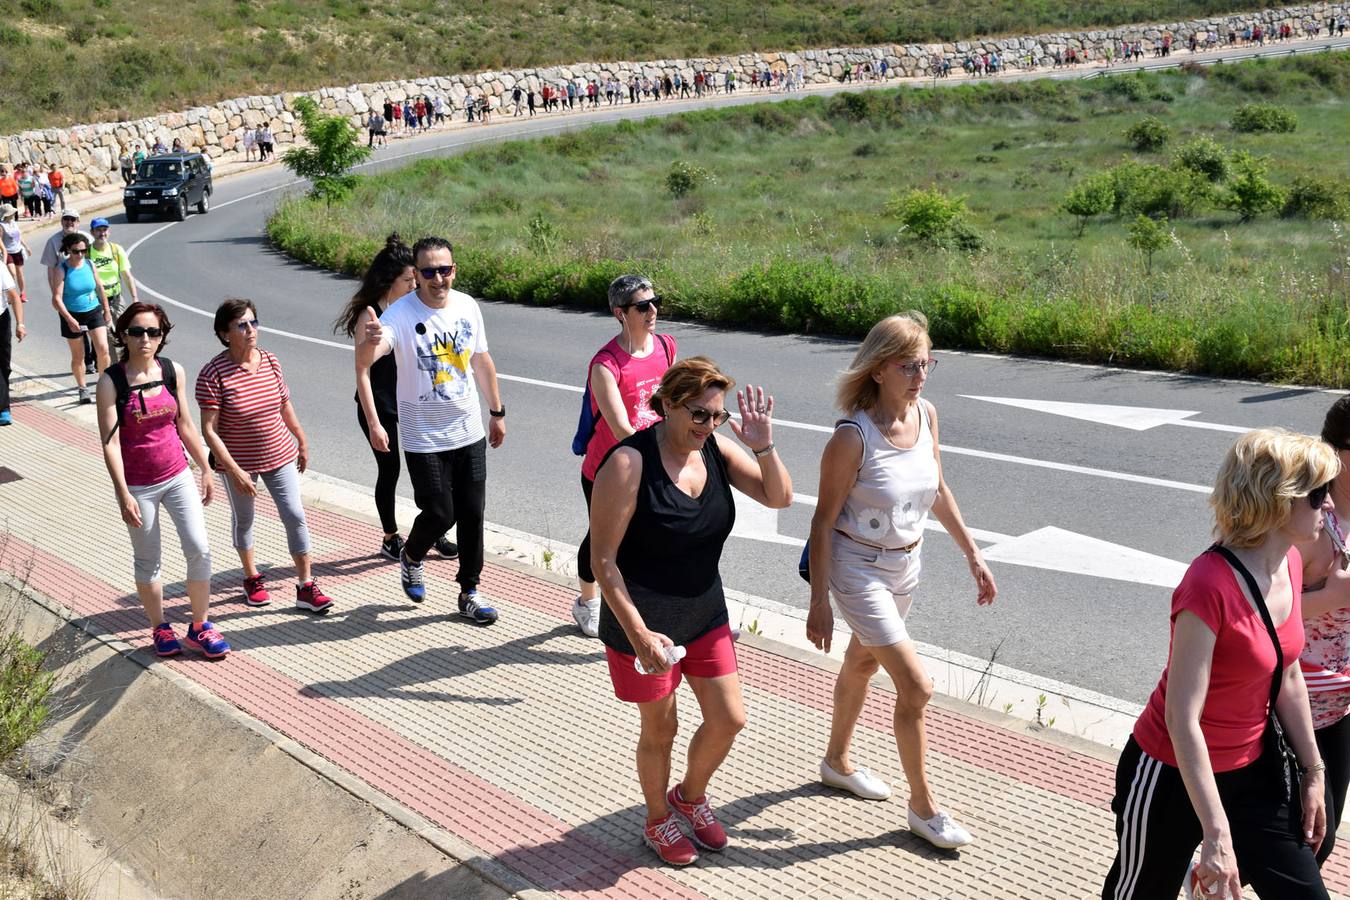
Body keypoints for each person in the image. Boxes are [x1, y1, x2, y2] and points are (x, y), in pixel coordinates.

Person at [1102, 428, 1337, 899]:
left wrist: (1314, 772)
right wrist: (1216, 832)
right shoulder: (1208, 584)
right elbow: (1181, 718)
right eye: (1316, 495)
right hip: (1170, 771)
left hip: (1254, 768)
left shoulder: (1289, 563)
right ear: (1277, 500)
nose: (1329, 505)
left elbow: (1288, 671)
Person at [805, 313, 995, 850]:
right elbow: (821, 522)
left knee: (863, 660)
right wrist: (818, 601)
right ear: (879, 369)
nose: (921, 374)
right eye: (909, 364)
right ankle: (924, 808)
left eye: (926, 362)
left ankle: (836, 761)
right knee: (916, 687)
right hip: (857, 567)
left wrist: (973, 554)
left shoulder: (926, 415)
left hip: (906, 564)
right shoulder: (852, 437)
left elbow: (938, 489)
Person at [589, 357, 790, 865]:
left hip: (704, 612)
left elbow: (779, 497)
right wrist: (637, 635)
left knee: (729, 718)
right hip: (643, 620)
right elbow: (602, 560)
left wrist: (762, 444)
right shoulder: (629, 464)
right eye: (699, 414)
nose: (709, 425)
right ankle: (658, 819)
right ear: (669, 406)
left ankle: (690, 796)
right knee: (661, 730)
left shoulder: (717, 452)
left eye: (717, 416)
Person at [356, 237, 505, 621]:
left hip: (469, 431)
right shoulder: (399, 315)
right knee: (440, 513)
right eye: (429, 272)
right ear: (417, 276)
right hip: (424, 438)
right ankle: (411, 555)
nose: (439, 278)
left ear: (454, 269)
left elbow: (481, 361)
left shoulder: (468, 306)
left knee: (473, 513)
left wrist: (497, 411)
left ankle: (469, 590)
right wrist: (370, 345)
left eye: (445, 269)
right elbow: (367, 362)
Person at [97, 303, 229, 659]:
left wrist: (205, 467)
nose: (145, 339)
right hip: (139, 486)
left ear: (162, 337)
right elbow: (109, 441)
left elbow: (185, 424)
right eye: (137, 332)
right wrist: (122, 493)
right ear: (123, 335)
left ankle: (200, 626)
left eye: (154, 332)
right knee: (148, 559)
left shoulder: (172, 371)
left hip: (177, 475)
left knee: (199, 547)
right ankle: (160, 627)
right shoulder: (112, 381)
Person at [196, 298, 334, 614]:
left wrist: (301, 439)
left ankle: (305, 586)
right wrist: (234, 471)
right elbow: (209, 430)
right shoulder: (212, 373)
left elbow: (284, 404)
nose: (250, 330)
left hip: (279, 453)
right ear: (224, 333)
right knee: (244, 519)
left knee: (295, 514)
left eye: (253, 322)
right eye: (241, 325)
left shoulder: (270, 361)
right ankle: (251, 577)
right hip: (237, 462)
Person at [336, 234, 457, 563]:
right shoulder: (370, 316)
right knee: (389, 471)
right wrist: (375, 424)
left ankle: (434, 529)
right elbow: (362, 373)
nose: (413, 284)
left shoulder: (411, 308)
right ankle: (390, 537)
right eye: (408, 279)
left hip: (411, 401)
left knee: (431, 468)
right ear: (389, 280)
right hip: (378, 405)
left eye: (414, 278)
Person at [573, 275, 676, 638]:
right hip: (607, 469)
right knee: (601, 540)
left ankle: (646, 612)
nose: (653, 311)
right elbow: (619, 427)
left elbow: (671, 405)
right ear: (620, 313)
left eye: (655, 301)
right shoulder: (606, 364)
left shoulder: (666, 346)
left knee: (646, 537)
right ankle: (587, 602)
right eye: (642, 306)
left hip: (652, 462)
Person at [1299, 398, 1350, 866]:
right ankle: (1208, 875)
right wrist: (1329, 599)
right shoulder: (1313, 522)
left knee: (1321, 841)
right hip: (1297, 706)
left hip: (1343, 705)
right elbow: (1253, 609)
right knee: (1315, 836)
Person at [52, 231, 112, 403]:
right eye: (76, 251)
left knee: (103, 349)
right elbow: (56, 298)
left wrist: (106, 310)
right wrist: (70, 320)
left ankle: (103, 385)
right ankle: (82, 388)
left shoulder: (89, 264)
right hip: (71, 314)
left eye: (83, 251)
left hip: (93, 310)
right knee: (78, 356)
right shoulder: (62, 269)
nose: (80, 255)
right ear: (68, 250)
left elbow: (100, 287)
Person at [42, 208, 97, 376]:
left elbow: (93, 264)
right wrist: (55, 295)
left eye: (73, 219)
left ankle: (96, 358)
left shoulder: (87, 239)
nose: (69, 222)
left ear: (78, 222)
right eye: (66, 219)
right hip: (67, 296)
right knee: (78, 331)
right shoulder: (53, 241)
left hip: (89, 293)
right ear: (61, 221)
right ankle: (87, 362)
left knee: (97, 330)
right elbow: (51, 268)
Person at [89, 218, 137, 327]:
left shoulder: (116, 249)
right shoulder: (87, 253)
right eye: (98, 230)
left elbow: (127, 276)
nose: (102, 233)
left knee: (122, 332)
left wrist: (134, 298)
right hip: (97, 301)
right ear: (92, 232)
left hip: (116, 299)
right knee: (105, 335)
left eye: (105, 230)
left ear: (108, 232)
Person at [0, 256, 23, 425]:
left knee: (3, 365)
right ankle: (3, 408)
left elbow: (14, 296)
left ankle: (3, 407)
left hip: (1, 319)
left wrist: (20, 324)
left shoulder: (0, 267)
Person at [1, 204, 30, 303]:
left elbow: (19, 236)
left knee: (20, 274)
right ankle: (11, 295)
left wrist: (26, 247)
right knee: (12, 273)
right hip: (8, 252)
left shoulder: (14, 222)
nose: (14, 213)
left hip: (18, 250)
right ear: (6, 214)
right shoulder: (1, 226)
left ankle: (22, 293)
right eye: (12, 212)